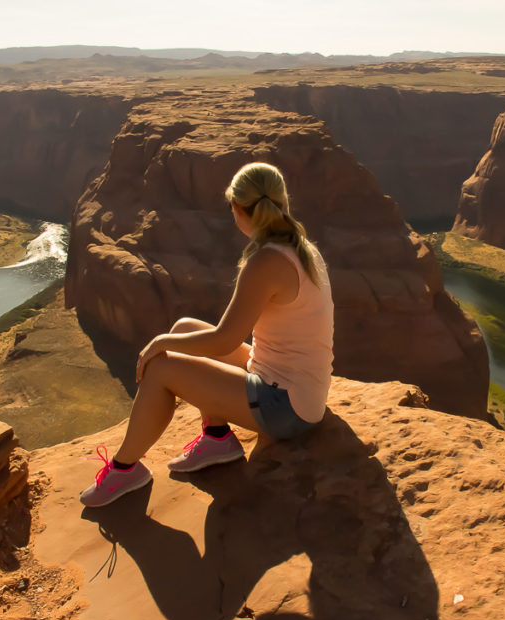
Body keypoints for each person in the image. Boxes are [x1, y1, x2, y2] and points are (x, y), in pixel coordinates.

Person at [80, 162, 335, 507]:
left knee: (162, 367)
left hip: (287, 408)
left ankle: (124, 470)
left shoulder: (266, 263)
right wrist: (173, 338)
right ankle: (217, 438)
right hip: (296, 388)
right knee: (185, 327)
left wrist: (160, 343)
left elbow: (223, 340)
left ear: (239, 209)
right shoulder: (299, 246)